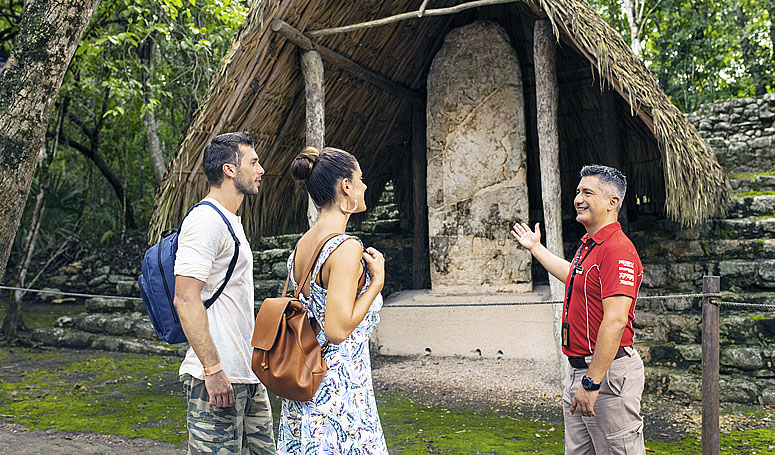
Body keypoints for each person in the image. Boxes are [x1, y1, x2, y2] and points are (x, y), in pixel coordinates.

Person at [512, 165, 645, 455]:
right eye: (577, 192)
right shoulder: (591, 245)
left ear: (613, 203)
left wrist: (592, 382)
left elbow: (616, 320)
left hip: (605, 376)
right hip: (581, 371)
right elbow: (573, 274)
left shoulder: (617, 250)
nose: (578, 198)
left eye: (587, 192)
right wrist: (536, 248)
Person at [277, 146, 388, 454]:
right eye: (360, 178)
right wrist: (376, 282)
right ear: (346, 186)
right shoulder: (346, 247)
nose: (365, 186)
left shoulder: (303, 244)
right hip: (340, 387)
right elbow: (338, 330)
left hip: (307, 376)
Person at [173, 132, 276, 455]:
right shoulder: (205, 221)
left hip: (247, 372)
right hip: (217, 376)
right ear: (230, 170)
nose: (261, 170)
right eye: (253, 162)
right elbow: (186, 298)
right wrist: (213, 370)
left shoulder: (230, 221)